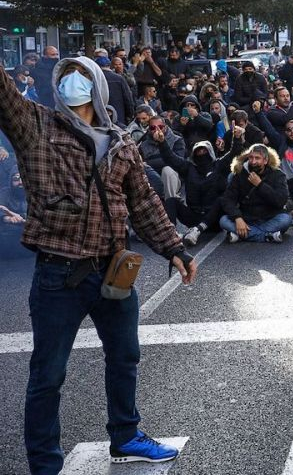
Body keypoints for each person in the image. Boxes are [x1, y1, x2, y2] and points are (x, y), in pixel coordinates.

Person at [0, 62, 196, 473]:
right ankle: (45, 465)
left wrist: (174, 249)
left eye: (82, 74)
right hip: (58, 275)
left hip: (113, 271)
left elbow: (143, 203)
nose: (71, 81)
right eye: (65, 75)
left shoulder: (120, 142)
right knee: (48, 374)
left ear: (100, 87)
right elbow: (4, 96)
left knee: (125, 356)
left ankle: (126, 436)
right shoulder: (36, 126)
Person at [219, 143, 292, 243]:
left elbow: (280, 201)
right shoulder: (240, 174)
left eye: (257, 158)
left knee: (286, 219)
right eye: (251, 158)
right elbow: (228, 199)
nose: (253, 162)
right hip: (246, 219)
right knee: (223, 220)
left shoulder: (278, 175)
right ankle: (267, 236)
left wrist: (260, 185)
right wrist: (237, 217)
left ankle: (243, 235)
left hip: (269, 218)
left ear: (265, 160)